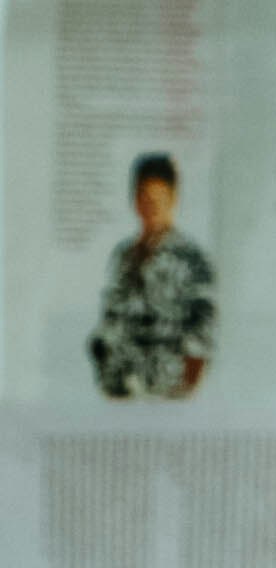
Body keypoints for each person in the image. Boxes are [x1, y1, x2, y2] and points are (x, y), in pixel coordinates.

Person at [88, 154, 214, 402]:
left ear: (173, 199)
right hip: (119, 387)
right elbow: (111, 315)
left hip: (165, 389)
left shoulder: (191, 258)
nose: (152, 207)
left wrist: (184, 390)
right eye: (145, 198)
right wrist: (101, 353)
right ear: (135, 200)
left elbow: (203, 329)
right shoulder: (123, 255)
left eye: (160, 199)